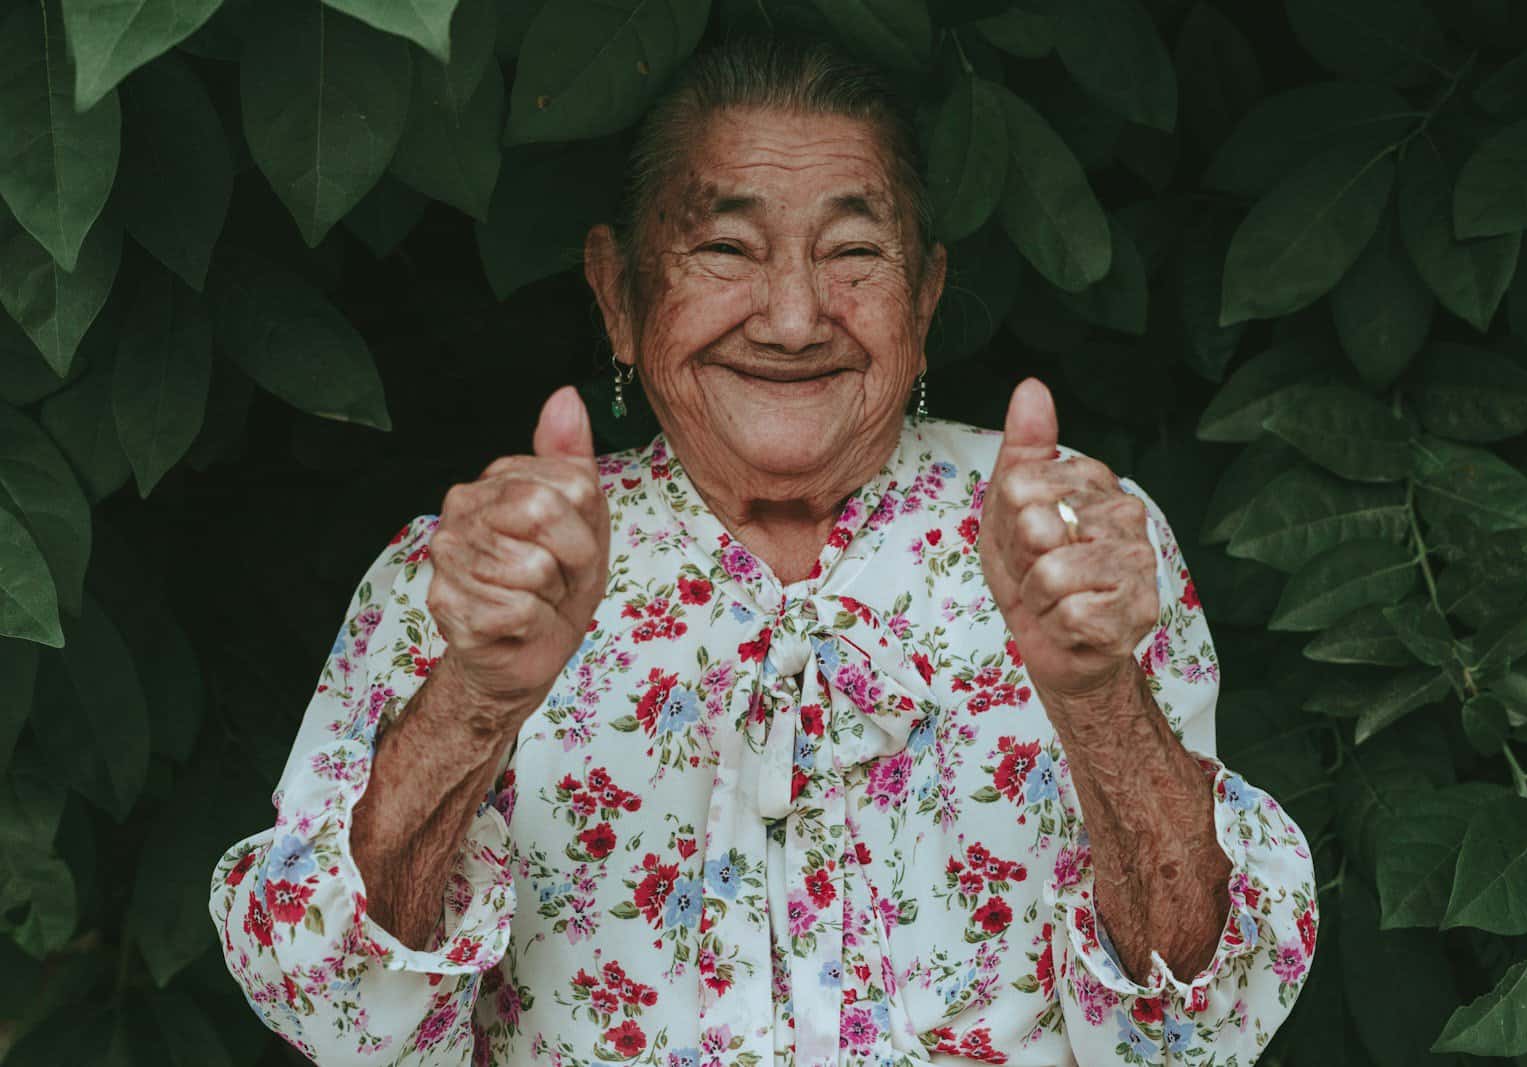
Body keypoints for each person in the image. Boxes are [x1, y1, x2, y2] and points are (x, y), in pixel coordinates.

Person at [209, 36, 1316, 1067]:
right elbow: (335, 1010)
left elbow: (1196, 1034)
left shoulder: (1068, 534)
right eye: (727, 247)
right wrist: (477, 698)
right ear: (618, 291)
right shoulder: (483, 567)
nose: (793, 315)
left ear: (924, 296)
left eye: (852, 251)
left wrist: (1096, 699)